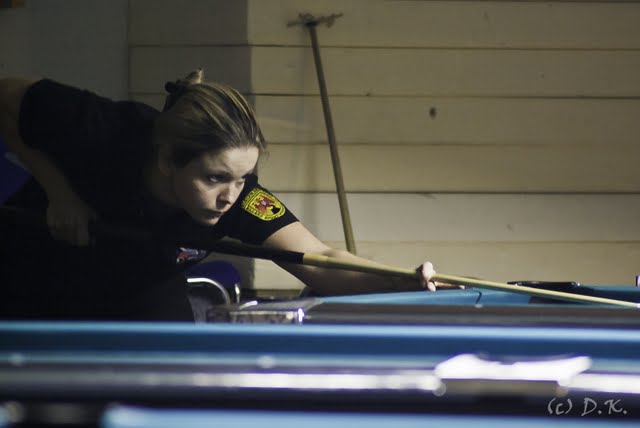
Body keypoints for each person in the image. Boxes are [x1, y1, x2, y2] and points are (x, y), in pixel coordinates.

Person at [0, 69, 436, 321]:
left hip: (142, 284)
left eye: (244, 177)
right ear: (167, 159)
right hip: (35, 266)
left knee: (176, 384)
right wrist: (59, 192)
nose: (231, 195)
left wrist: (398, 282)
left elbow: (319, 259)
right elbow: (6, 95)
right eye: (214, 177)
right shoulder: (107, 129)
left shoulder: (241, 197)